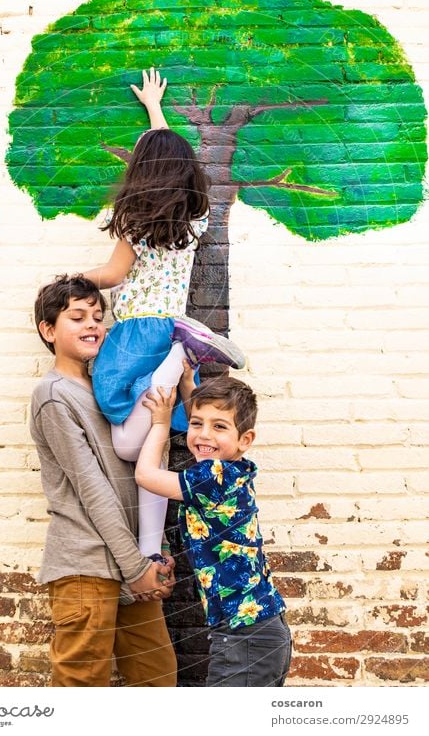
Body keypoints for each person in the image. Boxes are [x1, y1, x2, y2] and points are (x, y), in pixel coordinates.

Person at [83, 67, 245, 565]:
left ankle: (182, 355)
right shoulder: (195, 220)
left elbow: (112, 274)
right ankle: (152, 549)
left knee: (130, 444)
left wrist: (70, 282)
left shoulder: (134, 221)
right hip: (166, 329)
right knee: (150, 444)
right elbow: (171, 155)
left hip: (134, 338)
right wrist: (156, 110)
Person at [30, 273, 178, 687]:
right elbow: (93, 489)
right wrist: (137, 567)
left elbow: (143, 470)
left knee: (158, 680)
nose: (93, 324)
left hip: (133, 561)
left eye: (98, 316)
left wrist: (155, 551)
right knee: (83, 688)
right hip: (87, 566)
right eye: (77, 317)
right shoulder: (54, 394)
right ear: (48, 330)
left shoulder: (109, 389)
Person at [135, 376, 292, 687]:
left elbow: (145, 475)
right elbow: (211, 430)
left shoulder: (211, 477)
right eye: (196, 423)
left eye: (219, 427)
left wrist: (161, 423)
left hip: (244, 636)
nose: (204, 435)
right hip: (260, 631)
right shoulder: (234, 470)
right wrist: (186, 380)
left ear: (245, 439)